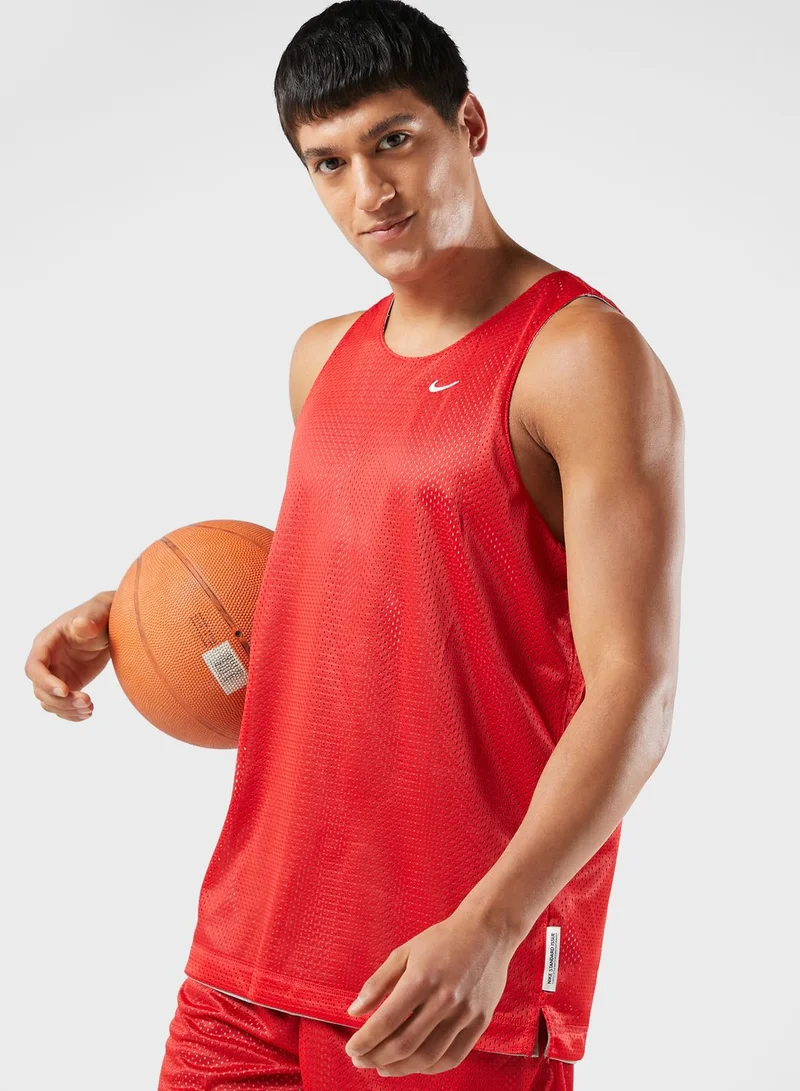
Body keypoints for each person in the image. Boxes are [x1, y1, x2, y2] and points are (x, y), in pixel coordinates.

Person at [24, 2, 684, 1087]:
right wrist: (133, 616)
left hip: (434, 975)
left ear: (469, 123)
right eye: (327, 163)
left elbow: (636, 691)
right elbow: (366, 587)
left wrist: (492, 927)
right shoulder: (320, 358)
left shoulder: (579, 355)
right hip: (251, 945)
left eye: (394, 140)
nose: (368, 191)